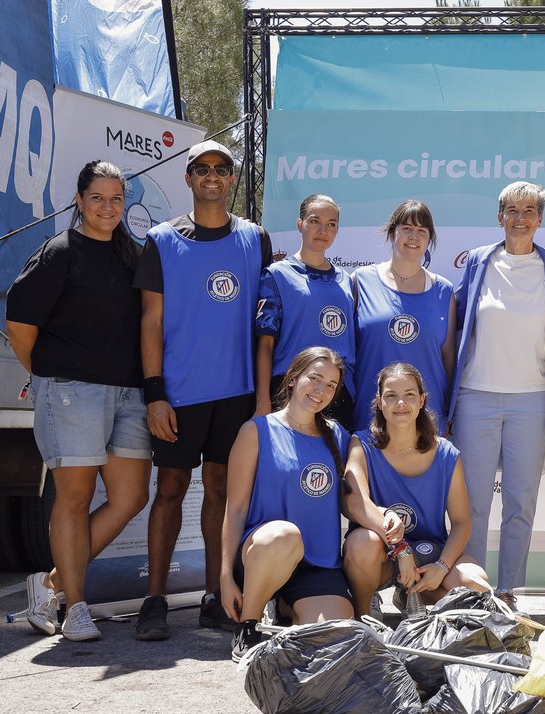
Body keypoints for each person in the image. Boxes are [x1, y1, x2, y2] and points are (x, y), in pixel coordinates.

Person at [6, 161, 150, 642]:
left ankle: (50, 582)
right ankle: (77, 607)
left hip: (130, 393)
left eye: (115, 199)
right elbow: (21, 328)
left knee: (131, 497)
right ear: (78, 200)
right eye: (97, 198)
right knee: (75, 498)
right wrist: (49, 376)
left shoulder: (133, 254)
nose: (107, 208)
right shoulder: (60, 252)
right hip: (70, 390)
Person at [133, 141, 271, 641]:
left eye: (221, 168)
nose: (212, 176)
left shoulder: (254, 238)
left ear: (232, 178)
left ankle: (216, 595)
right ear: (188, 178)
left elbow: (264, 323)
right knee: (169, 492)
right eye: (201, 169)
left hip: (235, 395)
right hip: (180, 394)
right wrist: (155, 394)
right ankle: (154, 601)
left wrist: (263, 397)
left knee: (220, 491)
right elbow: (150, 321)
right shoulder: (161, 239)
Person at [448, 182, 545, 609]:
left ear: (540, 219)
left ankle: (509, 591)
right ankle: (474, 591)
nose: (521, 217)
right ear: (499, 217)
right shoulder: (479, 261)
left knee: (521, 501)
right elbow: (456, 321)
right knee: (474, 502)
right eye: (512, 210)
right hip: (476, 396)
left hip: (533, 398)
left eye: (530, 210)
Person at [219, 347, 352, 662]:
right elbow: (235, 508)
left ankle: (284, 607)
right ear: (293, 379)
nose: (321, 391)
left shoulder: (339, 436)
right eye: (314, 379)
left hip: (316, 563)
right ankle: (249, 624)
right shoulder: (256, 431)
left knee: (335, 642)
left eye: (331, 385)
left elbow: (354, 500)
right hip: (264, 554)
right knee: (284, 534)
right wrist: (225, 577)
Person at [343, 362, 491, 614]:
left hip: (430, 554)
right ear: (379, 402)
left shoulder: (446, 453)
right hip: (382, 554)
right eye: (391, 396)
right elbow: (353, 502)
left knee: (477, 585)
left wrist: (442, 567)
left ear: (422, 400)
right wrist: (400, 547)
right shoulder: (362, 443)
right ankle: (365, 610)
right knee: (361, 544)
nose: (401, 403)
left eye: (409, 395)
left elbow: (461, 523)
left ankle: (414, 595)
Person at [351, 200, 455, 433]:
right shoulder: (361, 280)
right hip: (370, 415)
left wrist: (449, 410)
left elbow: (448, 357)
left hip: (427, 418)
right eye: (407, 228)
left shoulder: (444, 290)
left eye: (422, 231)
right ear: (392, 233)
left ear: (429, 239)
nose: (414, 236)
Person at [254, 194, 355, 425]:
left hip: (337, 394)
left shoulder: (346, 280)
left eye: (331, 224)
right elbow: (265, 344)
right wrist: (262, 400)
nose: (323, 230)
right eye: (314, 221)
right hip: (290, 391)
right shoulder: (277, 275)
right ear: (300, 225)